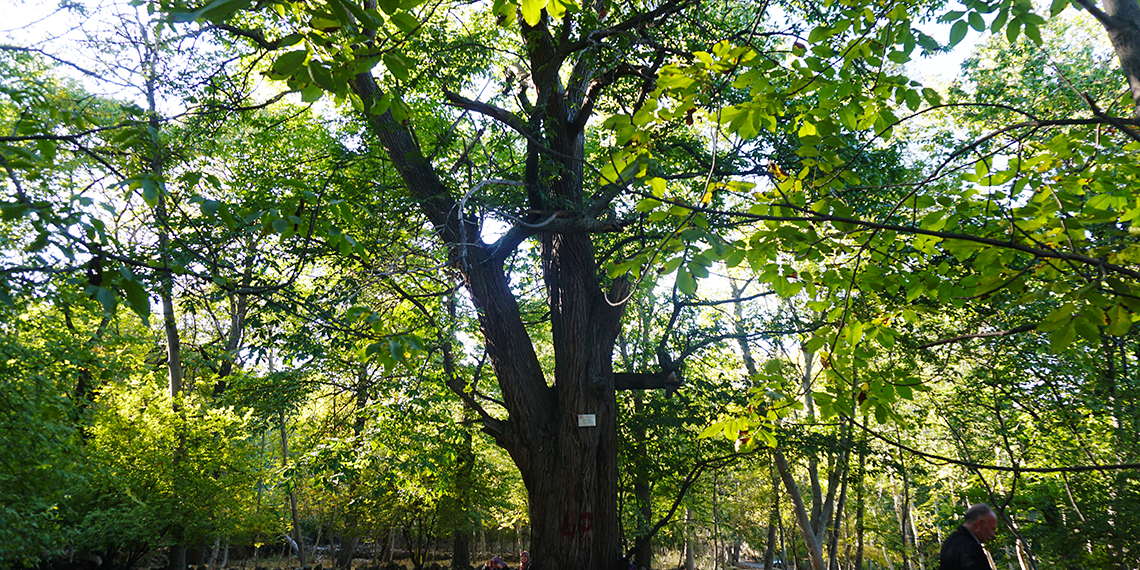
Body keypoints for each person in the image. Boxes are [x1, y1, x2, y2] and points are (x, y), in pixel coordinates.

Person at [940, 503, 999, 570]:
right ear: (980, 524)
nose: (992, 534)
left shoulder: (951, 541)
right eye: (992, 529)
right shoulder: (968, 548)